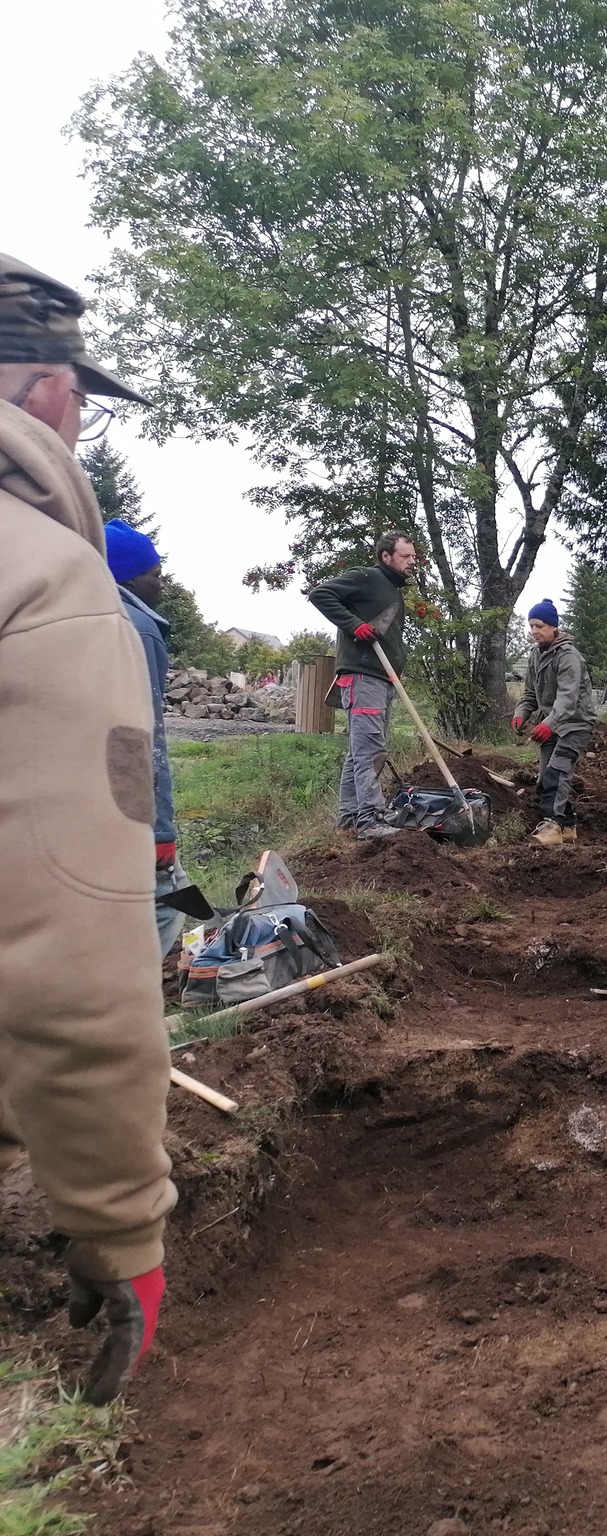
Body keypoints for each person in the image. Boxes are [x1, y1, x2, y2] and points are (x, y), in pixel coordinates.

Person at [0, 251, 177, 1404]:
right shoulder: (42, 580)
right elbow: (68, 941)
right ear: (41, 392)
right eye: (79, 396)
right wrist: (117, 1220)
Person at [104, 519, 185, 955]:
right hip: (126, 803)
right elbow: (144, 740)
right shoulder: (138, 627)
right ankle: (136, 1003)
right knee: (165, 903)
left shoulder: (74, 614)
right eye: (155, 574)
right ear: (129, 577)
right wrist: (161, 832)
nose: (162, 584)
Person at [307, 531, 417, 838]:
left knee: (359, 751)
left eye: (413, 556)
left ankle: (348, 816)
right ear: (386, 556)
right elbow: (320, 594)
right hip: (363, 676)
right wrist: (355, 625)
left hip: (382, 678)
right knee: (370, 749)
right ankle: (370, 819)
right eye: (405, 556)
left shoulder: (393, 591)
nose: (412, 562)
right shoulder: (366, 577)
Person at [512, 598, 598, 847]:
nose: (534, 631)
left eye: (539, 625)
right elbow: (529, 694)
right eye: (531, 626)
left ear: (553, 626)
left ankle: (553, 826)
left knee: (557, 774)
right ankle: (568, 826)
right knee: (544, 779)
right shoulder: (535, 656)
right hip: (551, 723)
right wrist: (521, 714)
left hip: (576, 724)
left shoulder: (569, 657)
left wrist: (548, 723)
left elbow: (567, 700)